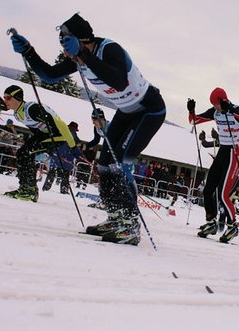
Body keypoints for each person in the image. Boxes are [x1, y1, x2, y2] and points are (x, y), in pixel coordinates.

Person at [10, 13, 166, 245]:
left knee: (120, 163)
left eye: (66, 42)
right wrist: (29, 52)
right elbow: (50, 76)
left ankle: (130, 224)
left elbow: (119, 81)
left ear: (80, 40)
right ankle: (116, 216)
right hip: (125, 112)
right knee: (104, 164)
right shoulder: (78, 57)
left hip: (149, 110)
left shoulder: (109, 49)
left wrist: (82, 54)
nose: (64, 49)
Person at [187, 87, 239, 243]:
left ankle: (233, 226)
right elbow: (194, 121)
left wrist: (229, 108)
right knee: (208, 189)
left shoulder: (236, 109)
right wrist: (192, 110)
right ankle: (210, 222)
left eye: (217, 104)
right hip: (223, 151)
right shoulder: (215, 111)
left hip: (235, 153)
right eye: (213, 105)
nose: (215, 107)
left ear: (223, 100)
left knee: (223, 194)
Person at [2, 85, 76, 202]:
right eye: (4, 97)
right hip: (45, 135)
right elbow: (35, 129)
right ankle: (26, 187)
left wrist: (73, 146)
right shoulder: (17, 114)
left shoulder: (32, 109)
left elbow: (60, 124)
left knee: (25, 153)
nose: (5, 100)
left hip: (58, 136)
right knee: (22, 153)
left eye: (8, 98)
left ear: (18, 97)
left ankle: (30, 190)